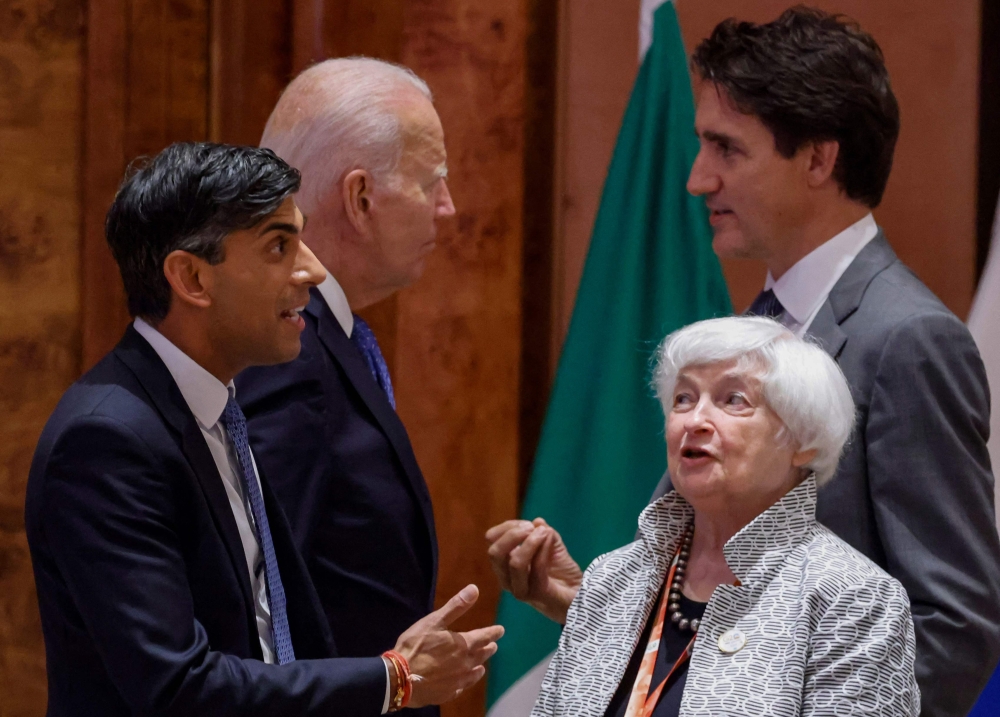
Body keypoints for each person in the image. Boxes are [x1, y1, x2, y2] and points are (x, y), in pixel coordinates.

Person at [488, 8, 1000, 715]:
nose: (697, 179)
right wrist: (593, 602)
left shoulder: (907, 339)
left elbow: (954, 622)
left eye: (726, 149)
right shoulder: (748, 331)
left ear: (819, 159)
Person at [25, 142, 501, 716]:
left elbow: (270, 638)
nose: (313, 269)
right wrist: (392, 678)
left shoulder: (219, 408)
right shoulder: (107, 441)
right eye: (280, 246)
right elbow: (178, 688)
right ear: (192, 278)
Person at [531, 316, 919, 717]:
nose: (694, 420)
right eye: (683, 398)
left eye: (733, 400)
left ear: (803, 442)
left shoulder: (852, 598)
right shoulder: (610, 580)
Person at [235, 58, 452, 717]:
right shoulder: (286, 352)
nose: (448, 207)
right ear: (360, 198)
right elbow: (260, 609)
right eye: (431, 183)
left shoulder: (326, 337)